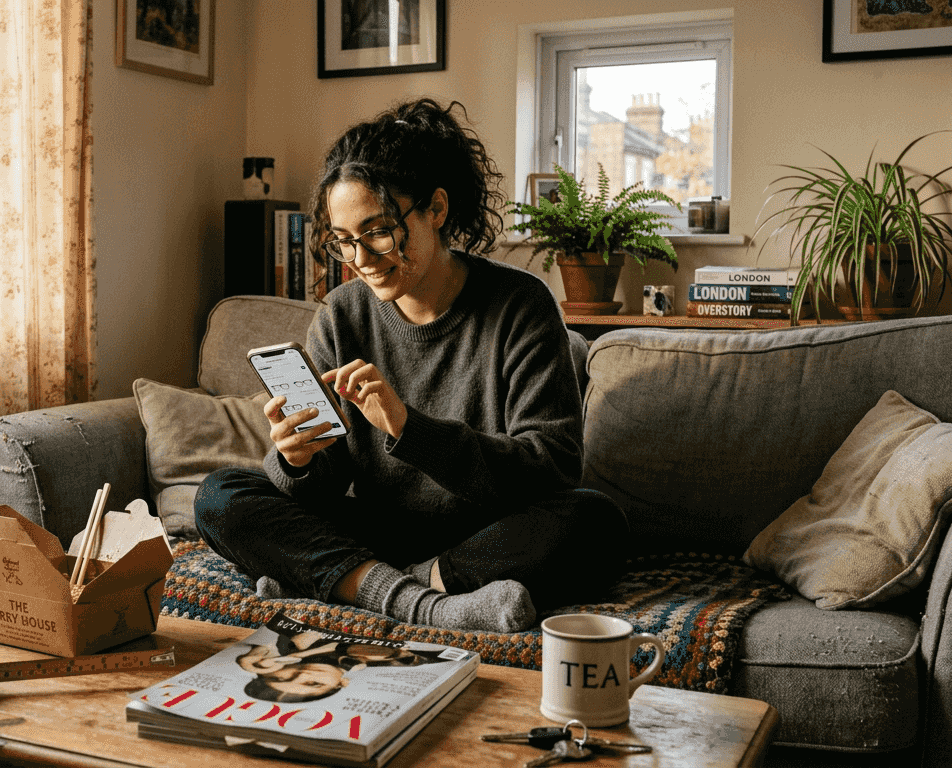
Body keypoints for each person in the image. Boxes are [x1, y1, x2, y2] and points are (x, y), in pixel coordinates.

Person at [194, 97, 628, 634]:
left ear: (436, 210)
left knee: (596, 522)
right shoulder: (342, 315)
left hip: (486, 533)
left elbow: (554, 468)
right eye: (345, 242)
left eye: (377, 231)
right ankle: (421, 603)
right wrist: (297, 459)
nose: (362, 260)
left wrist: (409, 428)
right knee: (220, 496)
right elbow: (323, 488)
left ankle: (360, 583)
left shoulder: (521, 305)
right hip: (378, 531)